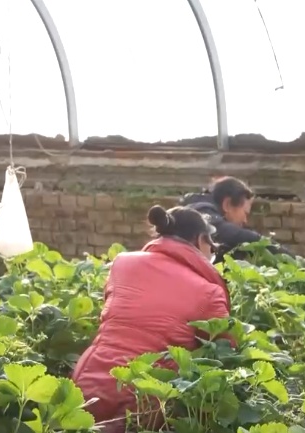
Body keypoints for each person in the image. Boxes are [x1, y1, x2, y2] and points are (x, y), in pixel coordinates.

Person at [71, 205, 231, 432]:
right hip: (145, 395)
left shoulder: (122, 264)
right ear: (200, 239)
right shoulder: (208, 292)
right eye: (211, 247)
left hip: (89, 376)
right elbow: (225, 351)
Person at [179, 176, 292, 263]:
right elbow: (227, 232)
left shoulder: (188, 208)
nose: (245, 220)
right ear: (227, 205)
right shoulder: (201, 216)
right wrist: (294, 260)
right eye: (245, 213)